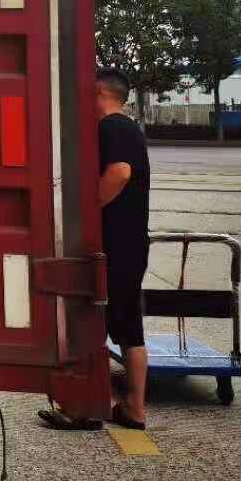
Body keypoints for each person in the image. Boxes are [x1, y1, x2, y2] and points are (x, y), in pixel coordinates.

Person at [39, 66, 151, 431]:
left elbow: (119, 172)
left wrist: (87, 211)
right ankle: (130, 407)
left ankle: (86, 408)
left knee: (92, 321)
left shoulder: (112, 127)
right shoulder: (129, 128)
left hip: (115, 244)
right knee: (127, 326)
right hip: (130, 243)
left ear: (99, 93)